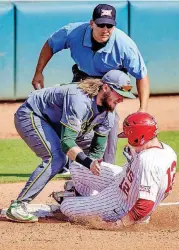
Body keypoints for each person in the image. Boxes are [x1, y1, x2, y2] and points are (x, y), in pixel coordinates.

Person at [5, 70, 135, 223]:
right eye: (119, 93)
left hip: (57, 122)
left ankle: (73, 194)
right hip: (33, 115)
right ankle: (18, 205)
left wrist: (92, 166)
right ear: (105, 88)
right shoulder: (79, 100)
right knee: (57, 158)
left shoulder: (109, 114)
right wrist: (87, 163)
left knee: (89, 147)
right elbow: (67, 142)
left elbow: (97, 149)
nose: (121, 99)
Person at [31, 3, 150, 164]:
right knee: (73, 112)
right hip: (84, 78)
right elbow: (50, 44)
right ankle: (75, 161)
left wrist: (142, 109)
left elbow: (142, 75)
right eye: (101, 24)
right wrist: (38, 72)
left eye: (110, 25)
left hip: (114, 81)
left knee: (110, 119)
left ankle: (107, 165)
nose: (105, 29)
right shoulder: (73, 31)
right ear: (92, 23)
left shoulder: (125, 45)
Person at [56, 112, 177, 229]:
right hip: (121, 180)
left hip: (121, 205)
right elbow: (163, 190)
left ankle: (91, 202)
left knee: (66, 206)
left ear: (139, 135)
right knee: (78, 166)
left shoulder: (149, 161)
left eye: (129, 135)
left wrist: (121, 223)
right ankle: (88, 198)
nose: (127, 139)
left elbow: (145, 204)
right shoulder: (166, 150)